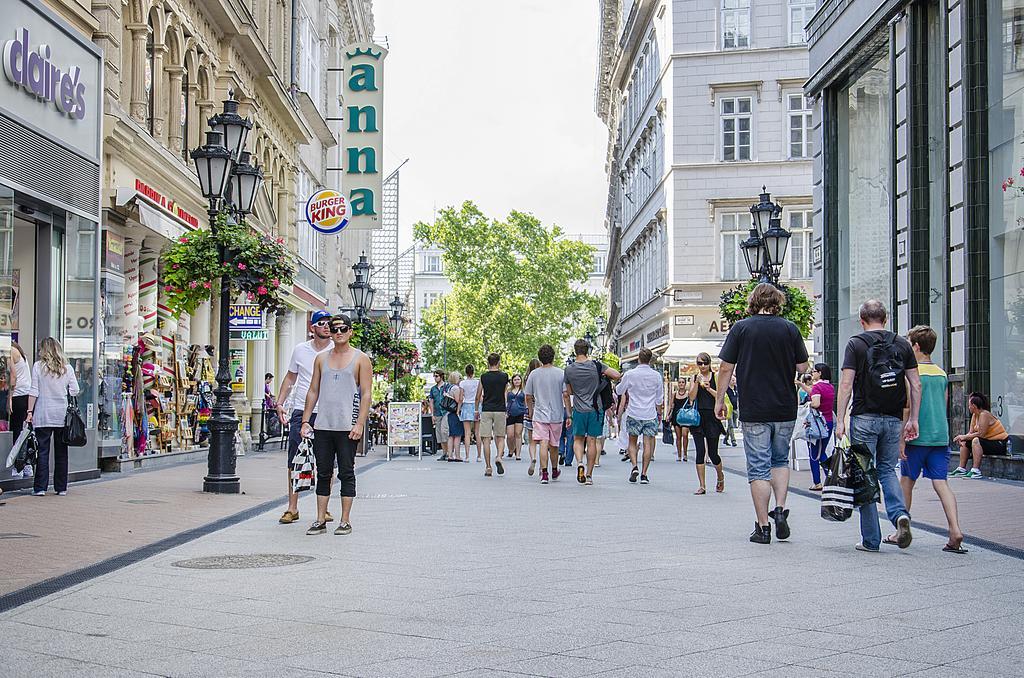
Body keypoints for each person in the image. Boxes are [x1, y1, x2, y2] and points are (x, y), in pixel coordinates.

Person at [716, 283, 809, 544]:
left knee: (758, 467)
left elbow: (725, 368)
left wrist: (720, 400)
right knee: (779, 461)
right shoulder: (789, 328)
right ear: (777, 302)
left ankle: (763, 526)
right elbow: (803, 366)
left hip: (754, 407)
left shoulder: (742, 328)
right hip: (784, 406)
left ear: (753, 302)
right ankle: (779, 509)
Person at [835, 299, 920, 553]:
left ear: (862, 320)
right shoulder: (902, 344)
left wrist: (840, 420)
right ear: (886, 318)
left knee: (865, 474)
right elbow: (915, 384)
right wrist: (913, 418)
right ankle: (899, 515)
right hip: (894, 418)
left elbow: (846, 384)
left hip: (864, 417)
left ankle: (871, 540)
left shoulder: (856, 344)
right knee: (886, 470)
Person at [300, 314, 372, 536]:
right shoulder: (321, 359)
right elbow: (313, 390)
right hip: (323, 425)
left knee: (347, 472)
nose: (339, 332)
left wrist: (360, 423)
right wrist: (305, 420)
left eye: (343, 329)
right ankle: (320, 519)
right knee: (323, 472)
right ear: (330, 332)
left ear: (350, 332)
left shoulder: (361, 359)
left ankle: (345, 520)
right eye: (335, 329)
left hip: (347, 426)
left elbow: (367, 393)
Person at [899, 326, 965, 553]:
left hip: (916, 437)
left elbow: (907, 407)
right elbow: (944, 404)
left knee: (906, 481)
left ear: (916, 346)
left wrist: (901, 438)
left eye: (909, 343)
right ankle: (955, 530)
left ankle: (901, 528)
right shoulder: (941, 373)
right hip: (939, 436)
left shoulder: (911, 374)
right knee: (942, 484)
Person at [275, 310, 333, 525]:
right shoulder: (301, 350)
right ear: (313, 328)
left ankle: (324, 509)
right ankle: (292, 507)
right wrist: (280, 403)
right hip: (301, 410)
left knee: (326, 461)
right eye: (321, 323)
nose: (326, 326)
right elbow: (291, 377)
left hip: (327, 412)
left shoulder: (336, 351)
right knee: (295, 459)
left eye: (329, 323)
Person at [564, 339, 621, 485]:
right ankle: (589, 475)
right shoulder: (596, 365)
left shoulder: (569, 369)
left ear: (575, 351)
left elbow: (568, 393)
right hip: (596, 409)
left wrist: (569, 414)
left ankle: (579, 463)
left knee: (578, 439)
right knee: (592, 441)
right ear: (587, 350)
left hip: (578, 409)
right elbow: (616, 375)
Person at [27, 338, 80, 496]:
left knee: (42, 452)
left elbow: (34, 391)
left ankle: (40, 488)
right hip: (61, 415)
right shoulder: (67, 368)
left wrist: (29, 412)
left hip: (43, 414)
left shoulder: (38, 367)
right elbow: (75, 390)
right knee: (61, 452)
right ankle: (61, 487)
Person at [615, 348, 664, 485]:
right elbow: (659, 398)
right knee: (647, 444)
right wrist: (659, 412)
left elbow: (619, 390)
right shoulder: (656, 376)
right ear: (650, 360)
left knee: (632, 442)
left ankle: (634, 466)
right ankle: (644, 474)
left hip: (634, 412)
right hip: (649, 413)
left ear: (638, 358)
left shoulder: (630, 374)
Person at [524, 345, 566, 484]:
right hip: (556, 413)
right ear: (553, 357)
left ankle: (544, 474)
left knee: (543, 442)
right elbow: (565, 394)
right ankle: (554, 469)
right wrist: (569, 413)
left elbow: (528, 396)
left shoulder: (534, 374)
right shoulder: (560, 373)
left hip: (540, 413)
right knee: (554, 445)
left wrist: (530, 410)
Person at [687, 352, 726, 495]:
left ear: (709, 364)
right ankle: (702, 485)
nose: (702, 366)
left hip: (712, 416)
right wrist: (697, 383)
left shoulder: (716, 377)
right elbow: (691, 397)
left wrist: (709, 388)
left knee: (713, 453)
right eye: (699, 363)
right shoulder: (694, 378)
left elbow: (721, 396)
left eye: (705, 363)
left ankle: (720, 476)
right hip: (697, 417)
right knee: (700, 451)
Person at [952, 392, 1009, 479]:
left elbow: (981, 434)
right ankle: (961, 469)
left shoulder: (984, 414)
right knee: (964, 441)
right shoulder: (975, 415)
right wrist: (962, 438)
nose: (968, 407)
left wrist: (963, 436)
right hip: (987, 442)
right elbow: (970, 433)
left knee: (975, 440)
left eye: (969, 405)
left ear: (974, 406)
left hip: (1000, 443)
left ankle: (976, 470)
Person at [805, 363, 836, 491]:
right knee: (822, 451)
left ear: (820, 373)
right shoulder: (830, 387)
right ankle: (832, 478)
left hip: (817, 423)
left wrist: (808, 404)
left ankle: (818, 482)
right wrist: (802, 385)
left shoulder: (817, 387)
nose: (812, 373)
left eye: (814, 371)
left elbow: (816, 403)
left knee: (814, 454)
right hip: (828, 422)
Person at [478, 353, 510, 477]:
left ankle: (488, 467)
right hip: (500, 409)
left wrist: (476, 409)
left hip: (486, 409)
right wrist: (505, 407)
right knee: (500, 436)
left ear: (488, 362)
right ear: (498, 362)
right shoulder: (504, 376)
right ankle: (498, 457)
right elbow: (504, 394)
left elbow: (478, 395)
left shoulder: (483, 377)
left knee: (486, 439)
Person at [8, 341, 31, 444]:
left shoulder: (10, 351)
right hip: (25, 393)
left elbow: (13, 377)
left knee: (16, 430)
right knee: (20, 429)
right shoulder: (17, 350)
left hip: (18, 394)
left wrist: (9, 398)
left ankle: (17, 458)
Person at [523, 359, 541, 475]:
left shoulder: (527, 378)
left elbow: (527, 396)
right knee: (543, 440)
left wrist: (530, 409)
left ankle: (533, 458)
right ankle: (541, 467)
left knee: (531, 440)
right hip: (541, 409)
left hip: (530, 409)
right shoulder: (541, 376)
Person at [459, 365, 481, 463]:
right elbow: (481, 396)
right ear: (473, 372)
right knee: (478, 432)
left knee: (467, 433)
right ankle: (479, 455)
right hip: (476, 406)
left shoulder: (462, 383)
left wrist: (458, 409)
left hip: (466, 406)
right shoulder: (478, 382)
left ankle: (467, 456)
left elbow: (460, 398)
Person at [429, 370, 450, 461]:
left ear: (441, 376)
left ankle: (449, 452)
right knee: (439, 434)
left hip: (446, 412)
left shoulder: (447, 387)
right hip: (437, 413)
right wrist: (432, 414)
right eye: (434, 376)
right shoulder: (433, 389)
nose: (435, 378)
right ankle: (444, 453)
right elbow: (431, 402)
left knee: (444, 431)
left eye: (436, 376)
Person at [444, 372, 465, 462]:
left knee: (451, 435)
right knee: (457, 435)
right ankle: (457, 455)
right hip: (456, 413)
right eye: (460, 378)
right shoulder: (456, 388)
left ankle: (450, 455)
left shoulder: (449, 387)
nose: (461, 380)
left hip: (450, 413)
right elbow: (458, 400)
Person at [506, 374, 526, 463]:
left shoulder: (523, 391)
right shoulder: (508, 390)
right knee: (510, 435)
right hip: (510, 414)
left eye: (518, 379)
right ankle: (511, 449)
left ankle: (518, 454)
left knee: (518, 433)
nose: (517, 381)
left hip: (520, 413)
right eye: (515, 380)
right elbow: (505, 401)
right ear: (512, 381)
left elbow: (526, 402)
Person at [669, 376, 690, 462]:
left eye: (683, 382)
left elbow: (691, 403)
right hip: (676, 416)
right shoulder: (674, 394)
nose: (681, 384)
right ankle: (679, 455)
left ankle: (685, 454)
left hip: (685, 417)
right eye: (680, 382)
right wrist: (668, 415)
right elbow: (671, 405)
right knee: (678, 436)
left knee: (685, 434)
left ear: (685, 384)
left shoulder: (688, 394)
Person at [723, 377, 738, 447]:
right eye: (732, 380)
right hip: (729, 409)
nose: (734, 381)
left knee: (732, 425)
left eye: (734, 380)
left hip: (735, 409)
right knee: (731, 425)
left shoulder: (736, 388)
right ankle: (733, 440)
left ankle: (726, 438)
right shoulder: (726, 389)